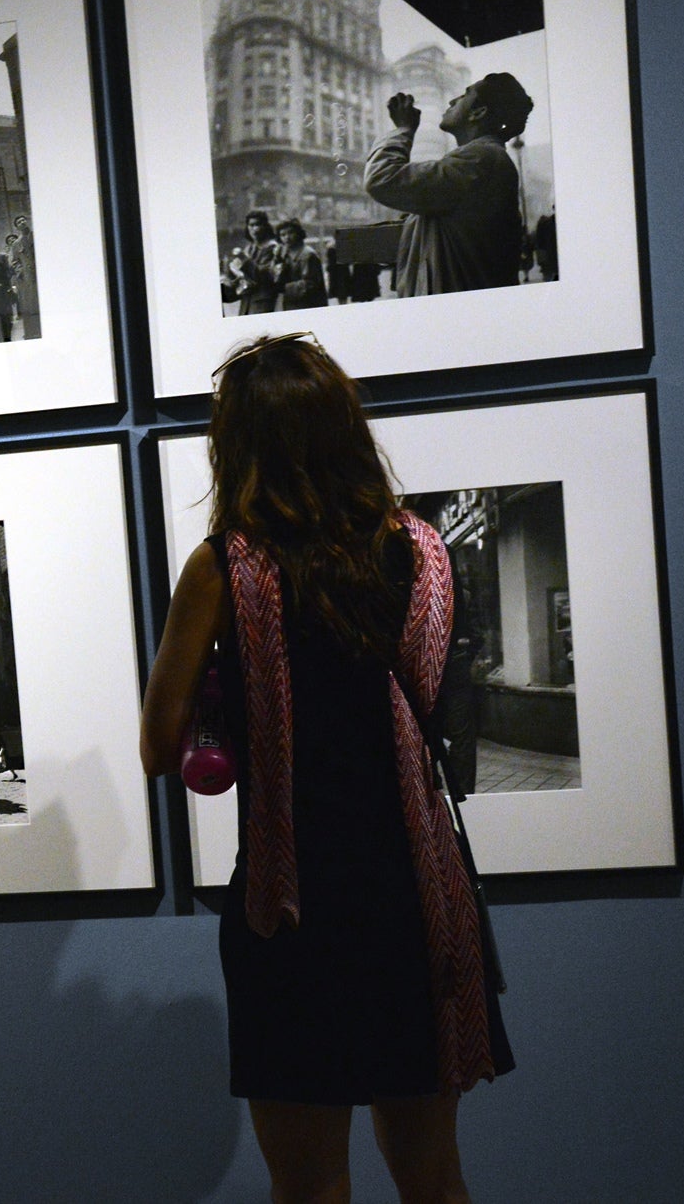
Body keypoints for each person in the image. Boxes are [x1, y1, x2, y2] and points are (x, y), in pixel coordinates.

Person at [139, 333, 511, 1203]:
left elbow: (161, 747)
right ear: (345, 426)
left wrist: (229, 698)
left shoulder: (225, 565)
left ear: (241, 444)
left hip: (292, 909)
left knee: (309, 1187)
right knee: (433, 1177)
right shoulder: (423, 549)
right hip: (419, 901)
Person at [364, 74, 533, 297]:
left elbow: (382, 178)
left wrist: (403, 130)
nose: (453, 101)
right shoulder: (482, 159)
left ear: (478, 112)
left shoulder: (481, 158)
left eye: (465, 95)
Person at [221, 211, 281, 315]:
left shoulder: (274, 248)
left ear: (266, 226)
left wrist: (244, 260)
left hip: (263, 300)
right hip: (246, 301)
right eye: (251, 225)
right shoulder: (249, 248)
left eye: (258, 224)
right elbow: (241, 275)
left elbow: (265, 275)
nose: (254, 229)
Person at [272, 219, 329, 311]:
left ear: (298, 233)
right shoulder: (284, 254)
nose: (287, 237)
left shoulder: (308, 255)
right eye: (283, 235)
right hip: (291, 304)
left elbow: (310, 284)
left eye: (290, 233)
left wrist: (284, 288)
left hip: (309, 305)